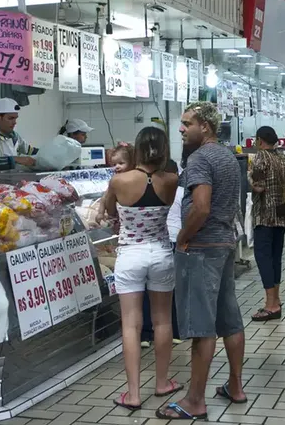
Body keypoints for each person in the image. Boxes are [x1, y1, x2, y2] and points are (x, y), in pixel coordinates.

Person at [159, 102, 245, 420]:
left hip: (201, 248)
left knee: (201, 327)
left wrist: (183, 238)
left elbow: (202, 206)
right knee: (230, 320)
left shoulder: (199, 158)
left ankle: (195, 401)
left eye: (186, 123)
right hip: (223, 244)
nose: (181, 129)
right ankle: (235, 387)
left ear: (204, 126)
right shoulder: (226, 157)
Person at [102, 127, 181, 411]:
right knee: (162, 321)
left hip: (130, 255)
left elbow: (110, 213)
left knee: (131, 325)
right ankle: (162, 383)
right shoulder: (171, 180)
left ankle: (133, 394)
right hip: (160, 252)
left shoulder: (119, 181)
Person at [247, 126, 285, 321]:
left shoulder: (261, 158)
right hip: (281, 216)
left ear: (259, 140)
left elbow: (258, 187)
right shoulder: (282, 158)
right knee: (275, 258)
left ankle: (271, 305)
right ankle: (277, 298)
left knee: (263, 258)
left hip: (265, 216)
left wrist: (248, 176)